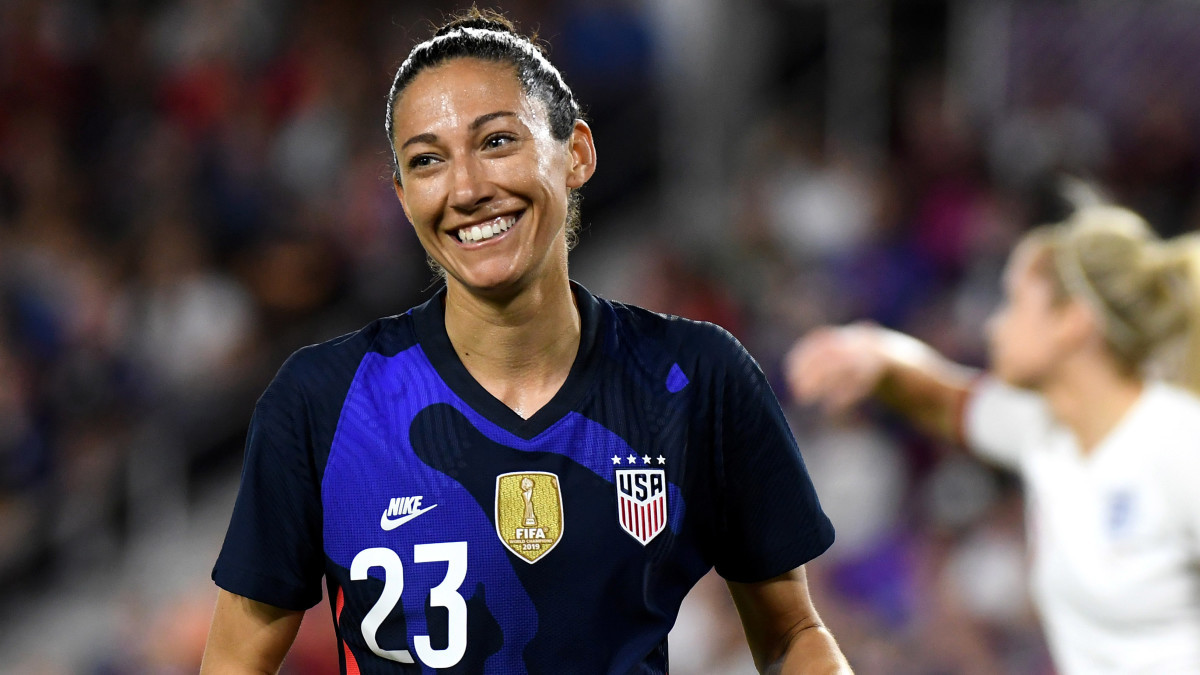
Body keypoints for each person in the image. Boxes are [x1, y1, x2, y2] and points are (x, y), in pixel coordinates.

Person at [201, 9, 851, 674]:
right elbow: (233, 662)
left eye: (496, 142)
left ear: (577, 153)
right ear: (402, 196)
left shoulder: (697, 379)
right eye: (427, 161)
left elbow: (792, 634)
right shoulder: (323, 401)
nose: (466, 189)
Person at [786, 203, 1200, 674]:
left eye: (1016, 302)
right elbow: (944, 400)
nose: (993, 325)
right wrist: (875, 356)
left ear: (1073, 321)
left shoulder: (1178, 445)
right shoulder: (1043, 429)